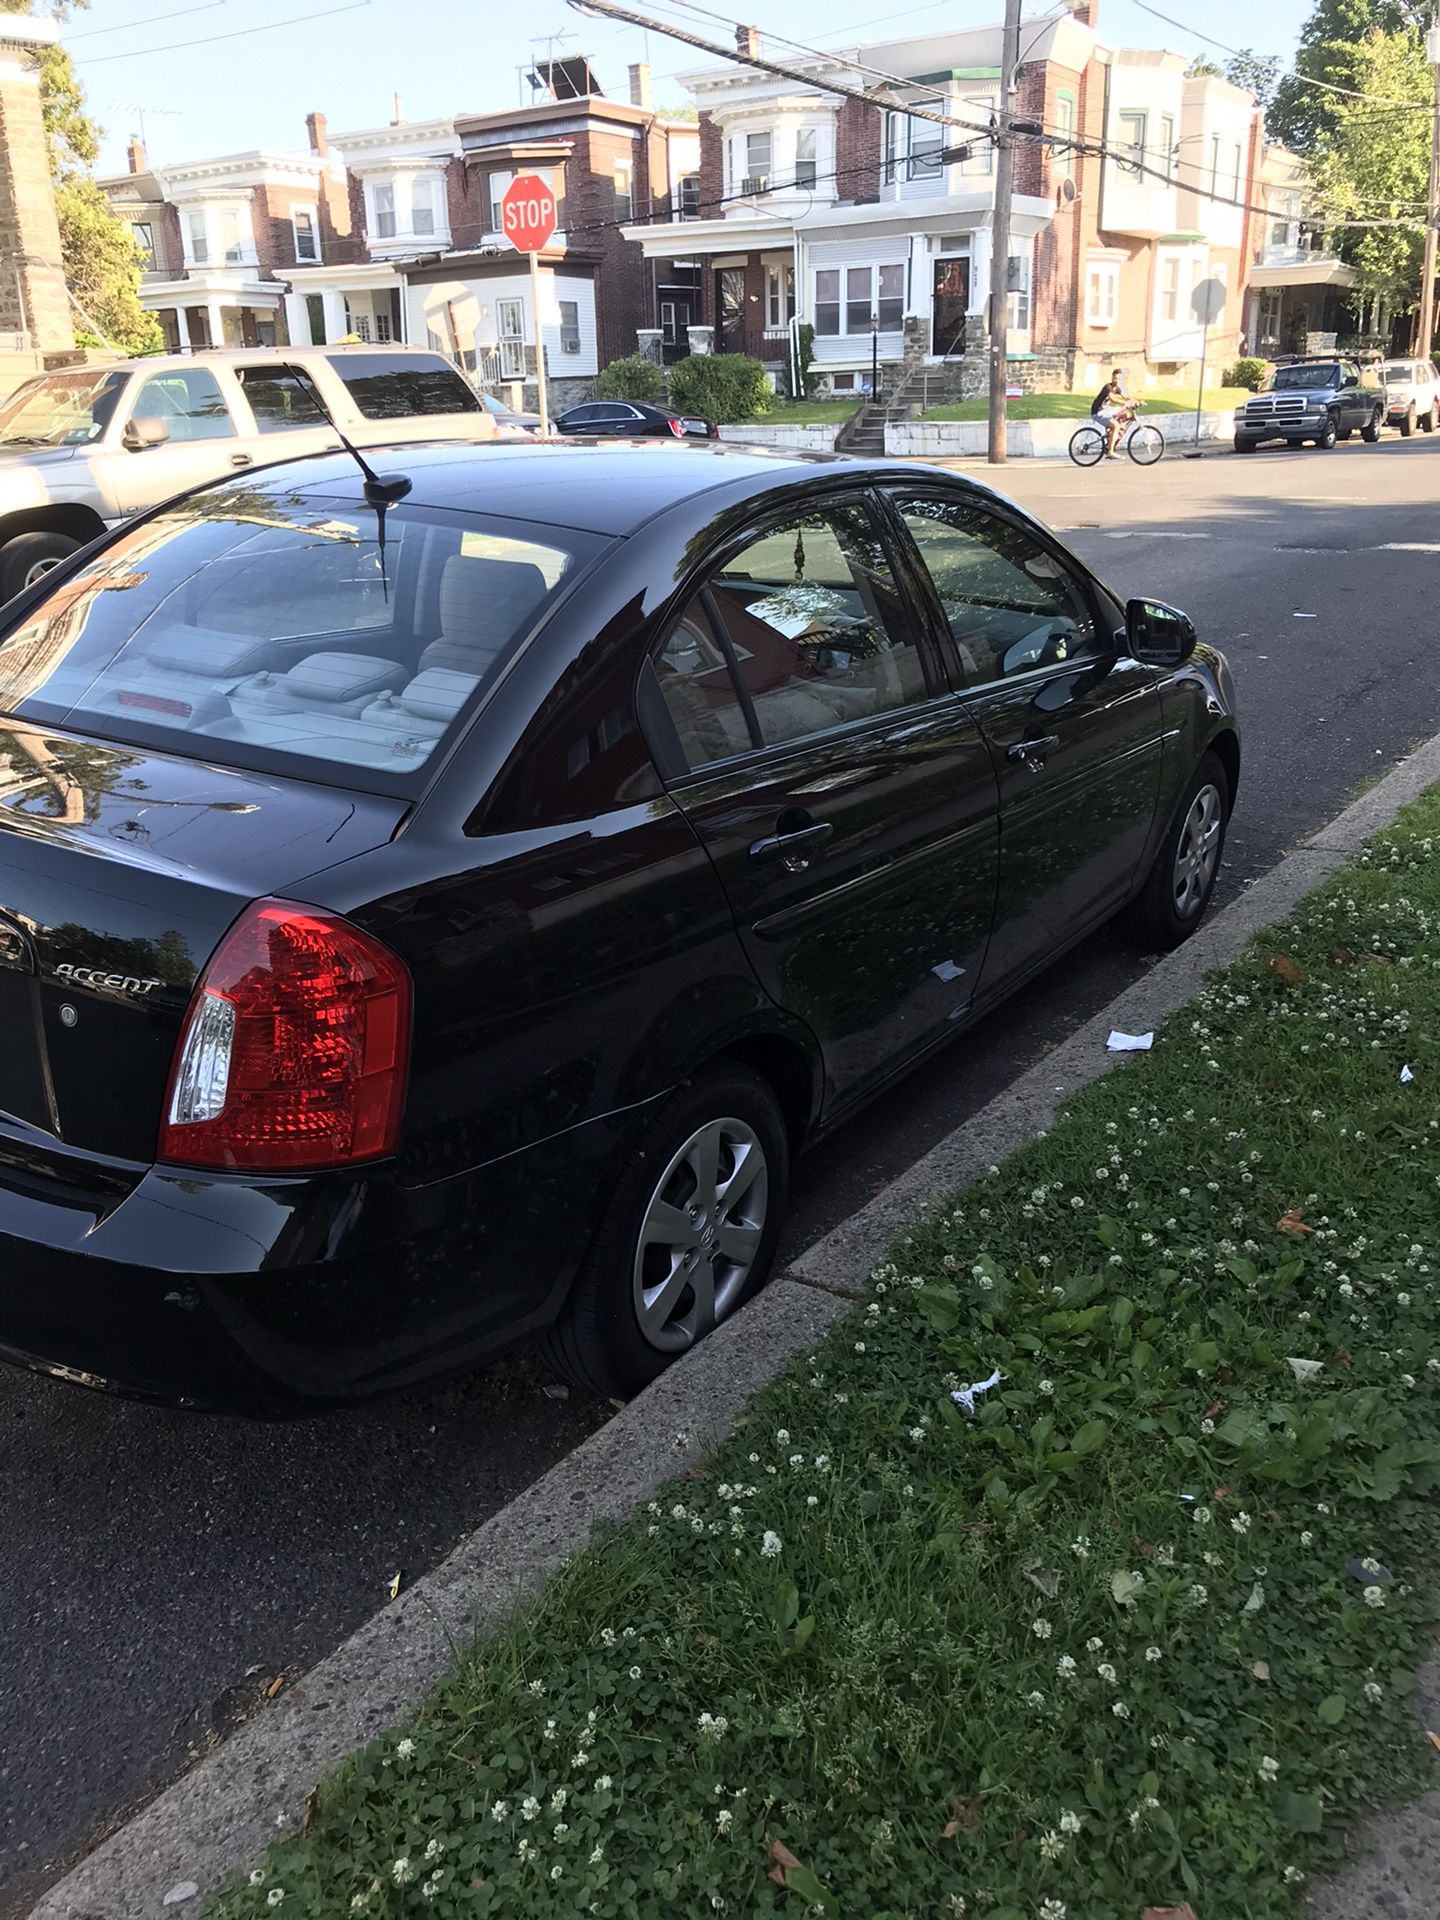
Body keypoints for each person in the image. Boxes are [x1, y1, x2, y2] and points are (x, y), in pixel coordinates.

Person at [1090, 368, 1132, 459]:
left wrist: (1137, 401)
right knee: (1116, 426)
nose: (1116, 381)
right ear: (1111, 378)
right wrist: (1124, 403)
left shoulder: (1118, 388)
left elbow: (1127, 396)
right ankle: (1110, 451)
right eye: (1114, 378)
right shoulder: (1108, 387)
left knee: (1127, 414)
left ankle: (1112, 435)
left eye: (1118, 379)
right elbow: (1113, 399)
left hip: (1106, 410)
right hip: (1098, 412)